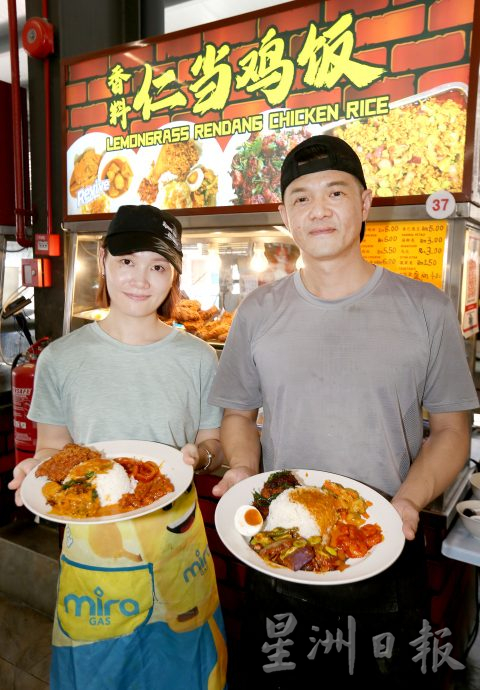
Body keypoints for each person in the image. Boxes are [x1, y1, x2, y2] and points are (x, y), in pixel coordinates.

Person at [208, 135, 479, 689]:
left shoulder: (425, 306)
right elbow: (237, 413)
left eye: (336, 191)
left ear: (366, 202)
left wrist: (408, 499)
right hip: (280, 546)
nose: (319, 209)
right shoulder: (257, 312)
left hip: (382, 543)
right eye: (301, 198)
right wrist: (240, 470)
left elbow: (452, 428)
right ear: (284, 215)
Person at [9, 204, 227, 690]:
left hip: (177, 545)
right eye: (127, 260)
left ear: (174, 276)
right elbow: (54, 451)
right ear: (104, 260)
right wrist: (35, 470)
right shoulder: (62, 359)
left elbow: (214, 444)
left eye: (157, 266)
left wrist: (202, 457)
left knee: (187, 673)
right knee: (98, 675)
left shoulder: (198, 357)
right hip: (94, 552)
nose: (140, 279)